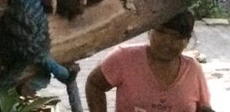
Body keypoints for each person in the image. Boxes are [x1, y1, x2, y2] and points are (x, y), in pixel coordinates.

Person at [85, 9, 214, 112]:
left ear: (187, 41)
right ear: (149, 31)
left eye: (176, 37)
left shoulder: (193, 69)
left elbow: (203, 108)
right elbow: (95, 84)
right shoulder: (123, 58)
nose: (167, 42)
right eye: (161, 32)